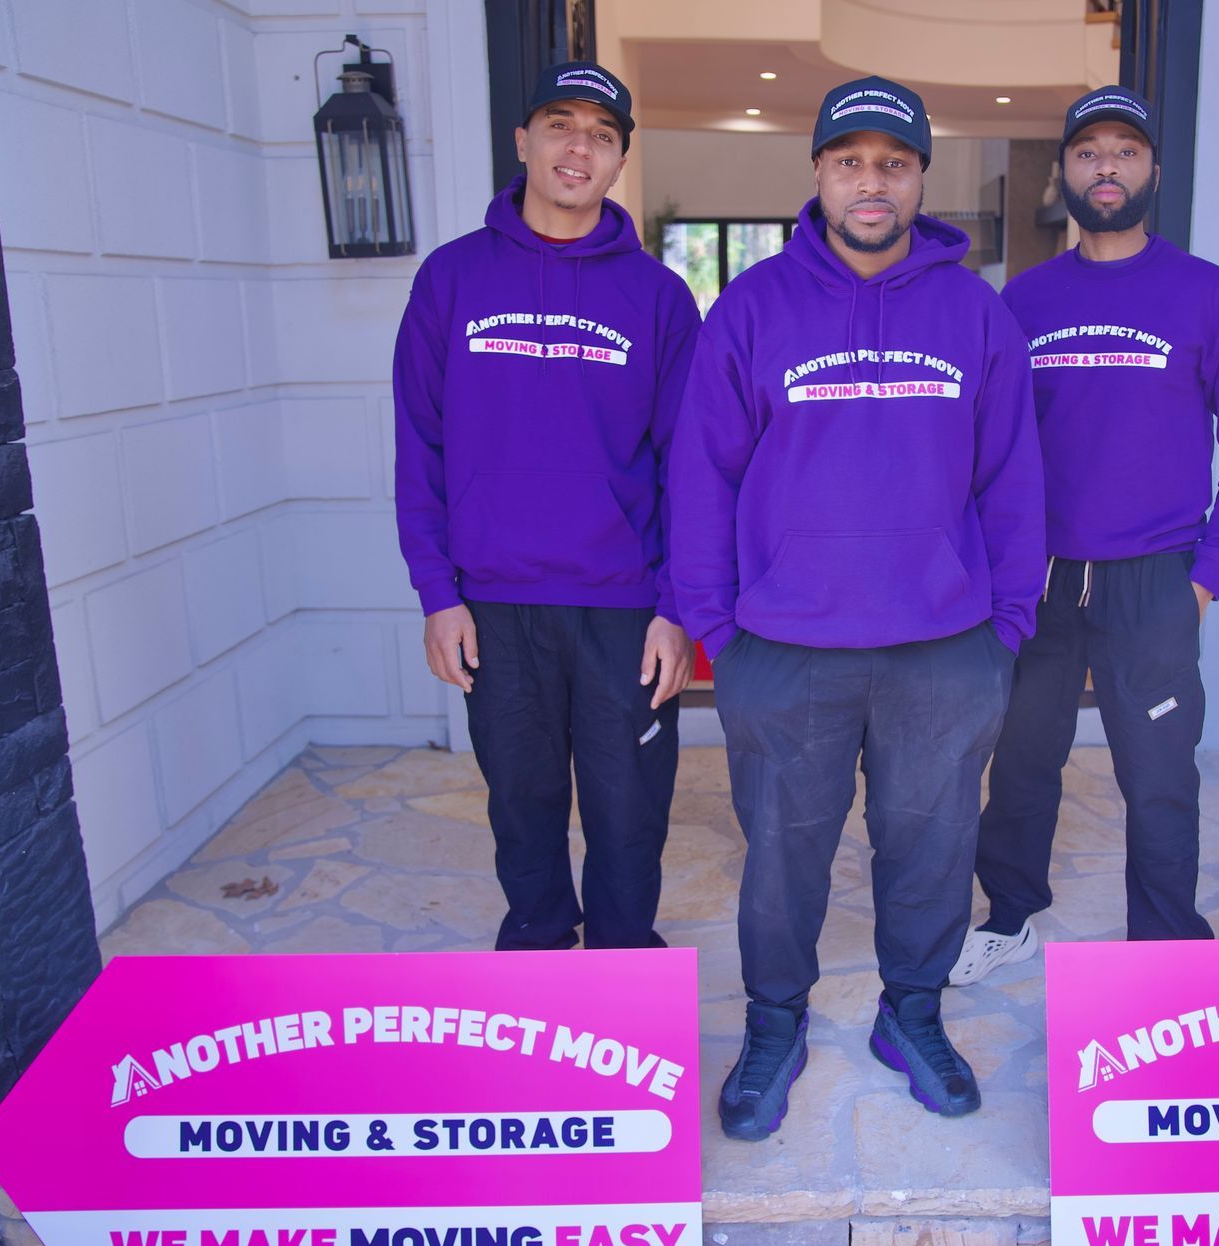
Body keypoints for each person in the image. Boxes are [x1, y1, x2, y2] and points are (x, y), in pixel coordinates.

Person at [670, 76, 1045, 1140]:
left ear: (921, 179)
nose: (870, 182)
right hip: (785, 649)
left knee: (930, 846)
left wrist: (1004, 628)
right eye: (850, 161)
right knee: (783, 852)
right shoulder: (749, 309)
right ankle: (776, 1024)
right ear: (820, 174)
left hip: (943, 647)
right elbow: (701, 478)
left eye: (893, 163)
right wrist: (721, 634)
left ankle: (911, 1012)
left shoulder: (976, 314)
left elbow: (1014, 481)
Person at [952, 85, 1219, 984]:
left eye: (1125, 151)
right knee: (1020, 762)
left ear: (1153, 171)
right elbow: (988, 448)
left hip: (1156, 579)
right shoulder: (1023, 300)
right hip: (1041, 577)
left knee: (1161, 776)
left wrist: (1207, 578)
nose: (1107, 166)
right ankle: (1010, 914)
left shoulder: (1207, 296)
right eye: (1089, 150)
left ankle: (1167, 952)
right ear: (1064, 172)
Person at [392, 61, 699, 953]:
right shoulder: (451, 280)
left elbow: (691, 465)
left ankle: (620, 954)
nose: (579, 147)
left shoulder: (658, 298)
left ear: (617, 165)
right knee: (520, 801)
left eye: (602, 136)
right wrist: (436, 592)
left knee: (628, 805)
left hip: (622, 606)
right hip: (493, 601)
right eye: (561, 125)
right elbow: (420, 444)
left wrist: (676, 607)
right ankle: (534, 943)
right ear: (523, 141)